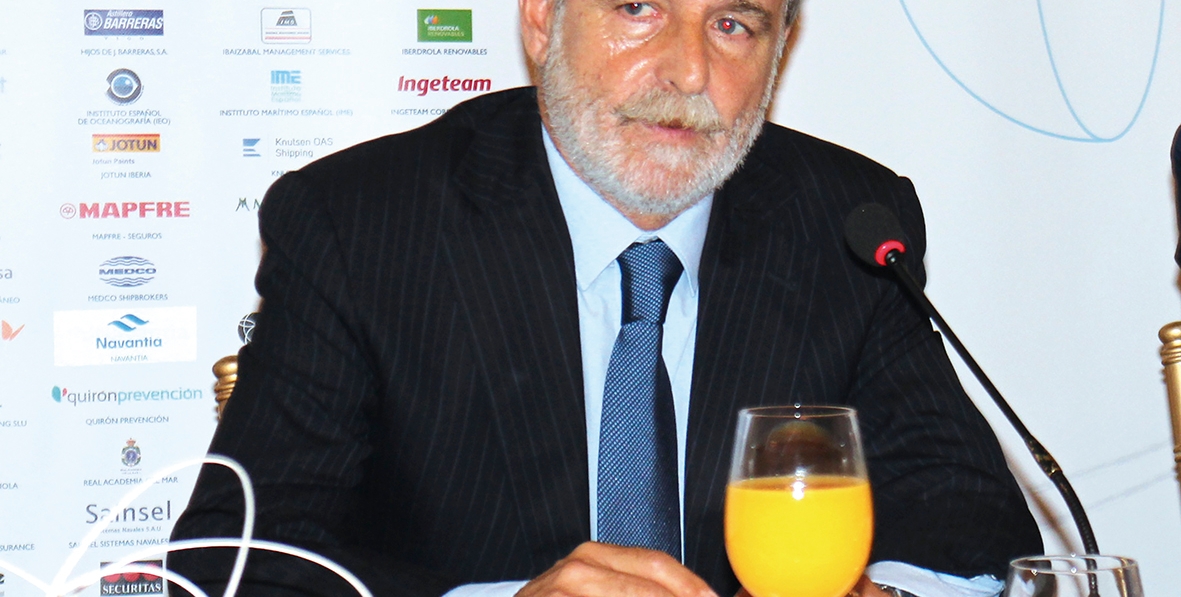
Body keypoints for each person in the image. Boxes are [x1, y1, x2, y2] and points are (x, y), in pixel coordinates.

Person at [169, 0, 1043, 595]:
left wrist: (883, 590)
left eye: (732, 24)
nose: (688, 70)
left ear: (778, 49)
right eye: (637, 9)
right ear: (541, 19)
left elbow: (969, 521)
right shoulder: (362, 223)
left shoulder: (843, 221)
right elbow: (233, 560)